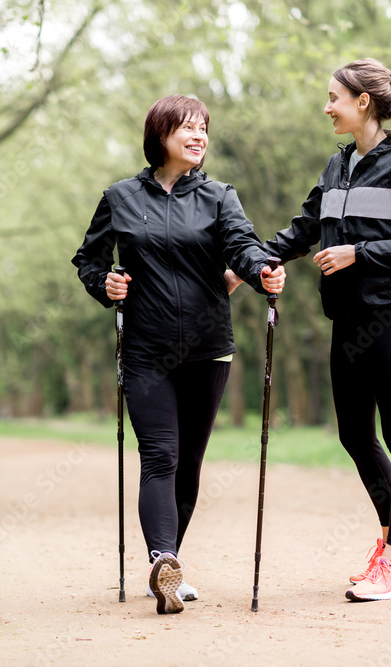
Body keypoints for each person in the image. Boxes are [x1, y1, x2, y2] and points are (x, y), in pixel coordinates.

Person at [71, 94, 285, 615]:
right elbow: (88, 260)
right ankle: (162, 556)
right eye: (187, 127)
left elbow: (242, 245)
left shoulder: (219, 196)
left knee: (187, 464)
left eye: (203, 128)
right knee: (160, 456)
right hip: (146, 350)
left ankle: (167, 569)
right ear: (160, 135)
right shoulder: (120, 197)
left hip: (209, 351)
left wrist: (261, 270)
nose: (198, 136)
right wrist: (107, 284)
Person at [261, 58, 391, 601]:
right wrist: (245, 265)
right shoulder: (337, 167)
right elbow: (305, 227)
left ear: (363, 101)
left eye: (334, 97)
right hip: (347, 320)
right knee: (353, 435)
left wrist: (358, 253)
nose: (327, 107)